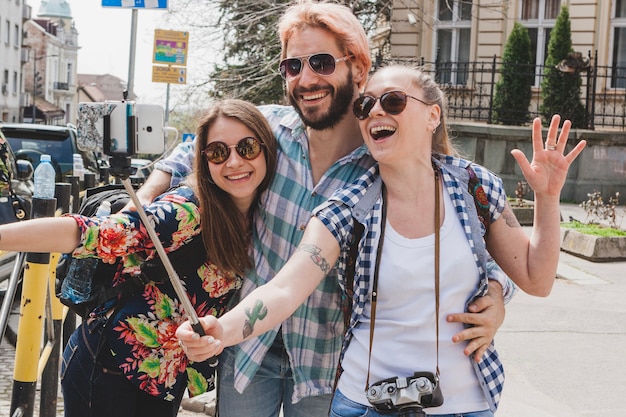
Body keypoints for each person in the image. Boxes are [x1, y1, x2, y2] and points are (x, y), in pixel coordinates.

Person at [136, 3, 511, 416]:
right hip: (249, 351)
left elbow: (466, 245)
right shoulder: (268, 133)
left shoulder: (386, 159)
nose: (306, 78)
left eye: (320, 62)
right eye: (292, 66)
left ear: (359, 67)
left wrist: (495, 295)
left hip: (327, 364)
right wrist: (148, 196)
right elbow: (195, 148)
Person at [176, 65, 587, 416]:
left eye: (392, 101)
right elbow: (284, 289)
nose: (374, 111)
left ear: (432, 117)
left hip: (466, 402)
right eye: (364, 105)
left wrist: (548, 198)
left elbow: (537, 279)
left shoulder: (474, 187)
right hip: (365, 403)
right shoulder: (347, 207)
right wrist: (221, 330)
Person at [0, 99, 277, 417]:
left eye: (247, 147)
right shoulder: (187, 211)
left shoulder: (262, 215)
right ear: (204, 161)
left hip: (165, 377)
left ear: (266, 149)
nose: (233, 162)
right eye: (218, 152)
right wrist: (4, 236)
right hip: (109, 369)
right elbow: (92, 233)